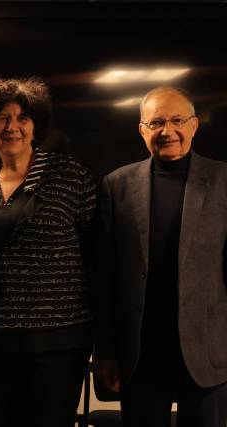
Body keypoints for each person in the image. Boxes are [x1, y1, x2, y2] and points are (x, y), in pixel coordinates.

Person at [0, 77, 96, 427]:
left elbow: (97, 258)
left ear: (36, 126)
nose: (12, 127)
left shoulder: (70, 177)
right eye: (2, 117)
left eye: (22, 118)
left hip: (56, 344)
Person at [94, 86, 227, 426]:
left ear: (194, 125)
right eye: (155, 123)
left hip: (208, 355)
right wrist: (107, 351)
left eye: (177, 120)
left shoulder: (224, 180)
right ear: (142, 130)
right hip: (140, 356)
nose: (167, 131)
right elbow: (105, 276)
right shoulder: (116, 186)